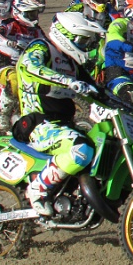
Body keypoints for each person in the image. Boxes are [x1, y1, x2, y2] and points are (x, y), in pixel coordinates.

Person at [16, 12, 105, 216]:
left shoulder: (72, 64)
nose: (84, 46)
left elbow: (97, 90)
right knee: (80, 148)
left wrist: (127, 106)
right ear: (65, 34)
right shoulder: (41, 47)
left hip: (64, 124)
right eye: (82, 40)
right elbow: (31, 66)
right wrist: (66, 81)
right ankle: (37, 190)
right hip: (38, 125)